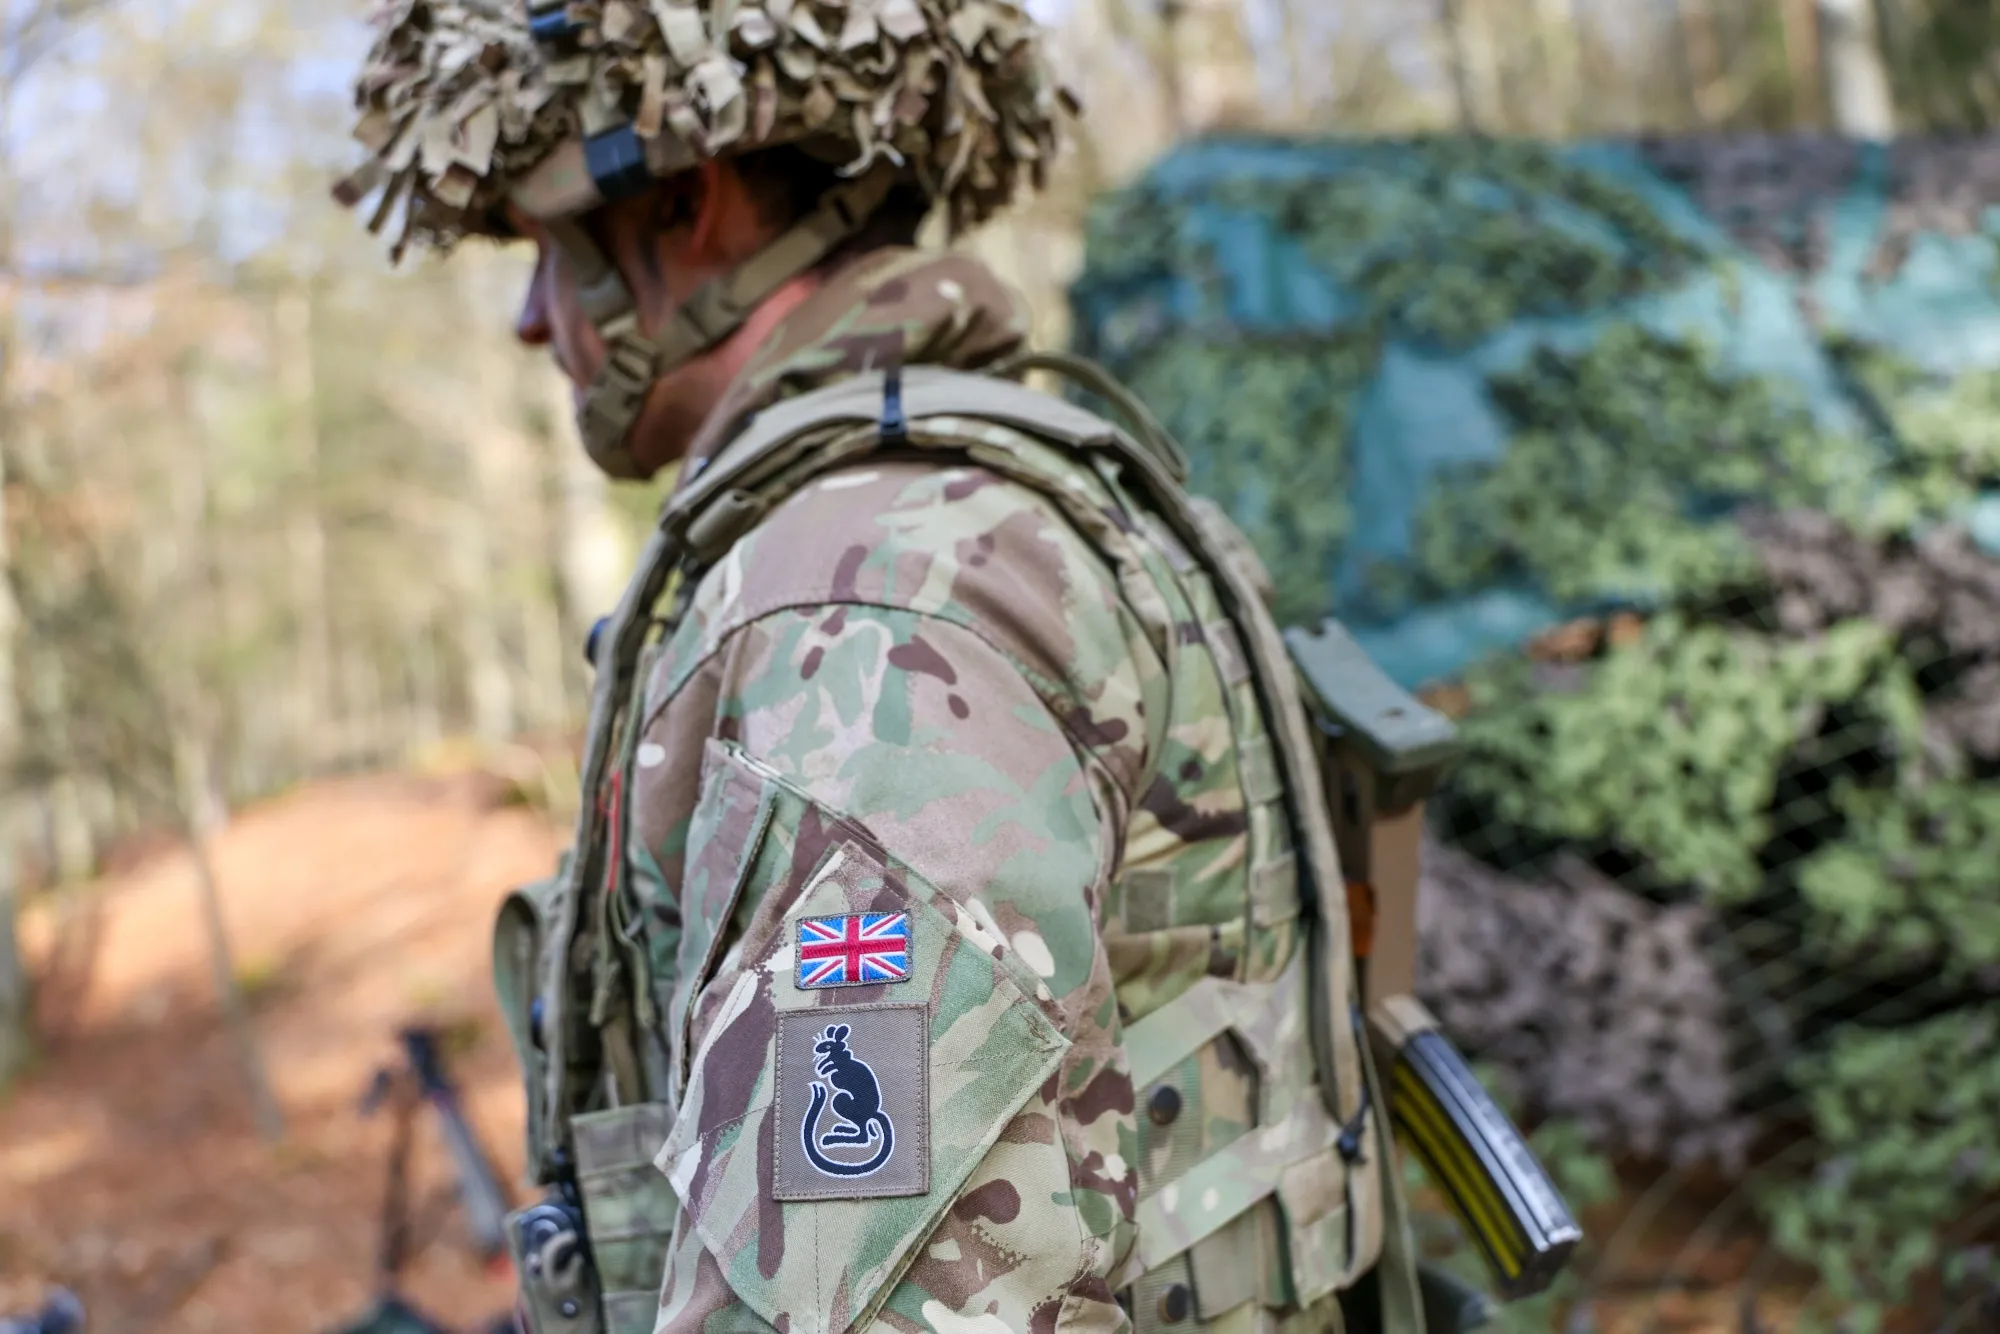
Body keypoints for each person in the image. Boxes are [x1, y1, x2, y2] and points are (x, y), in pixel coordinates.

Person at [333, 1, 1430, 1331]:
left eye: (550, 252)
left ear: (690, 203)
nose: (530, 320)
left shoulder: (865, 596)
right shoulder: (1001, 502)